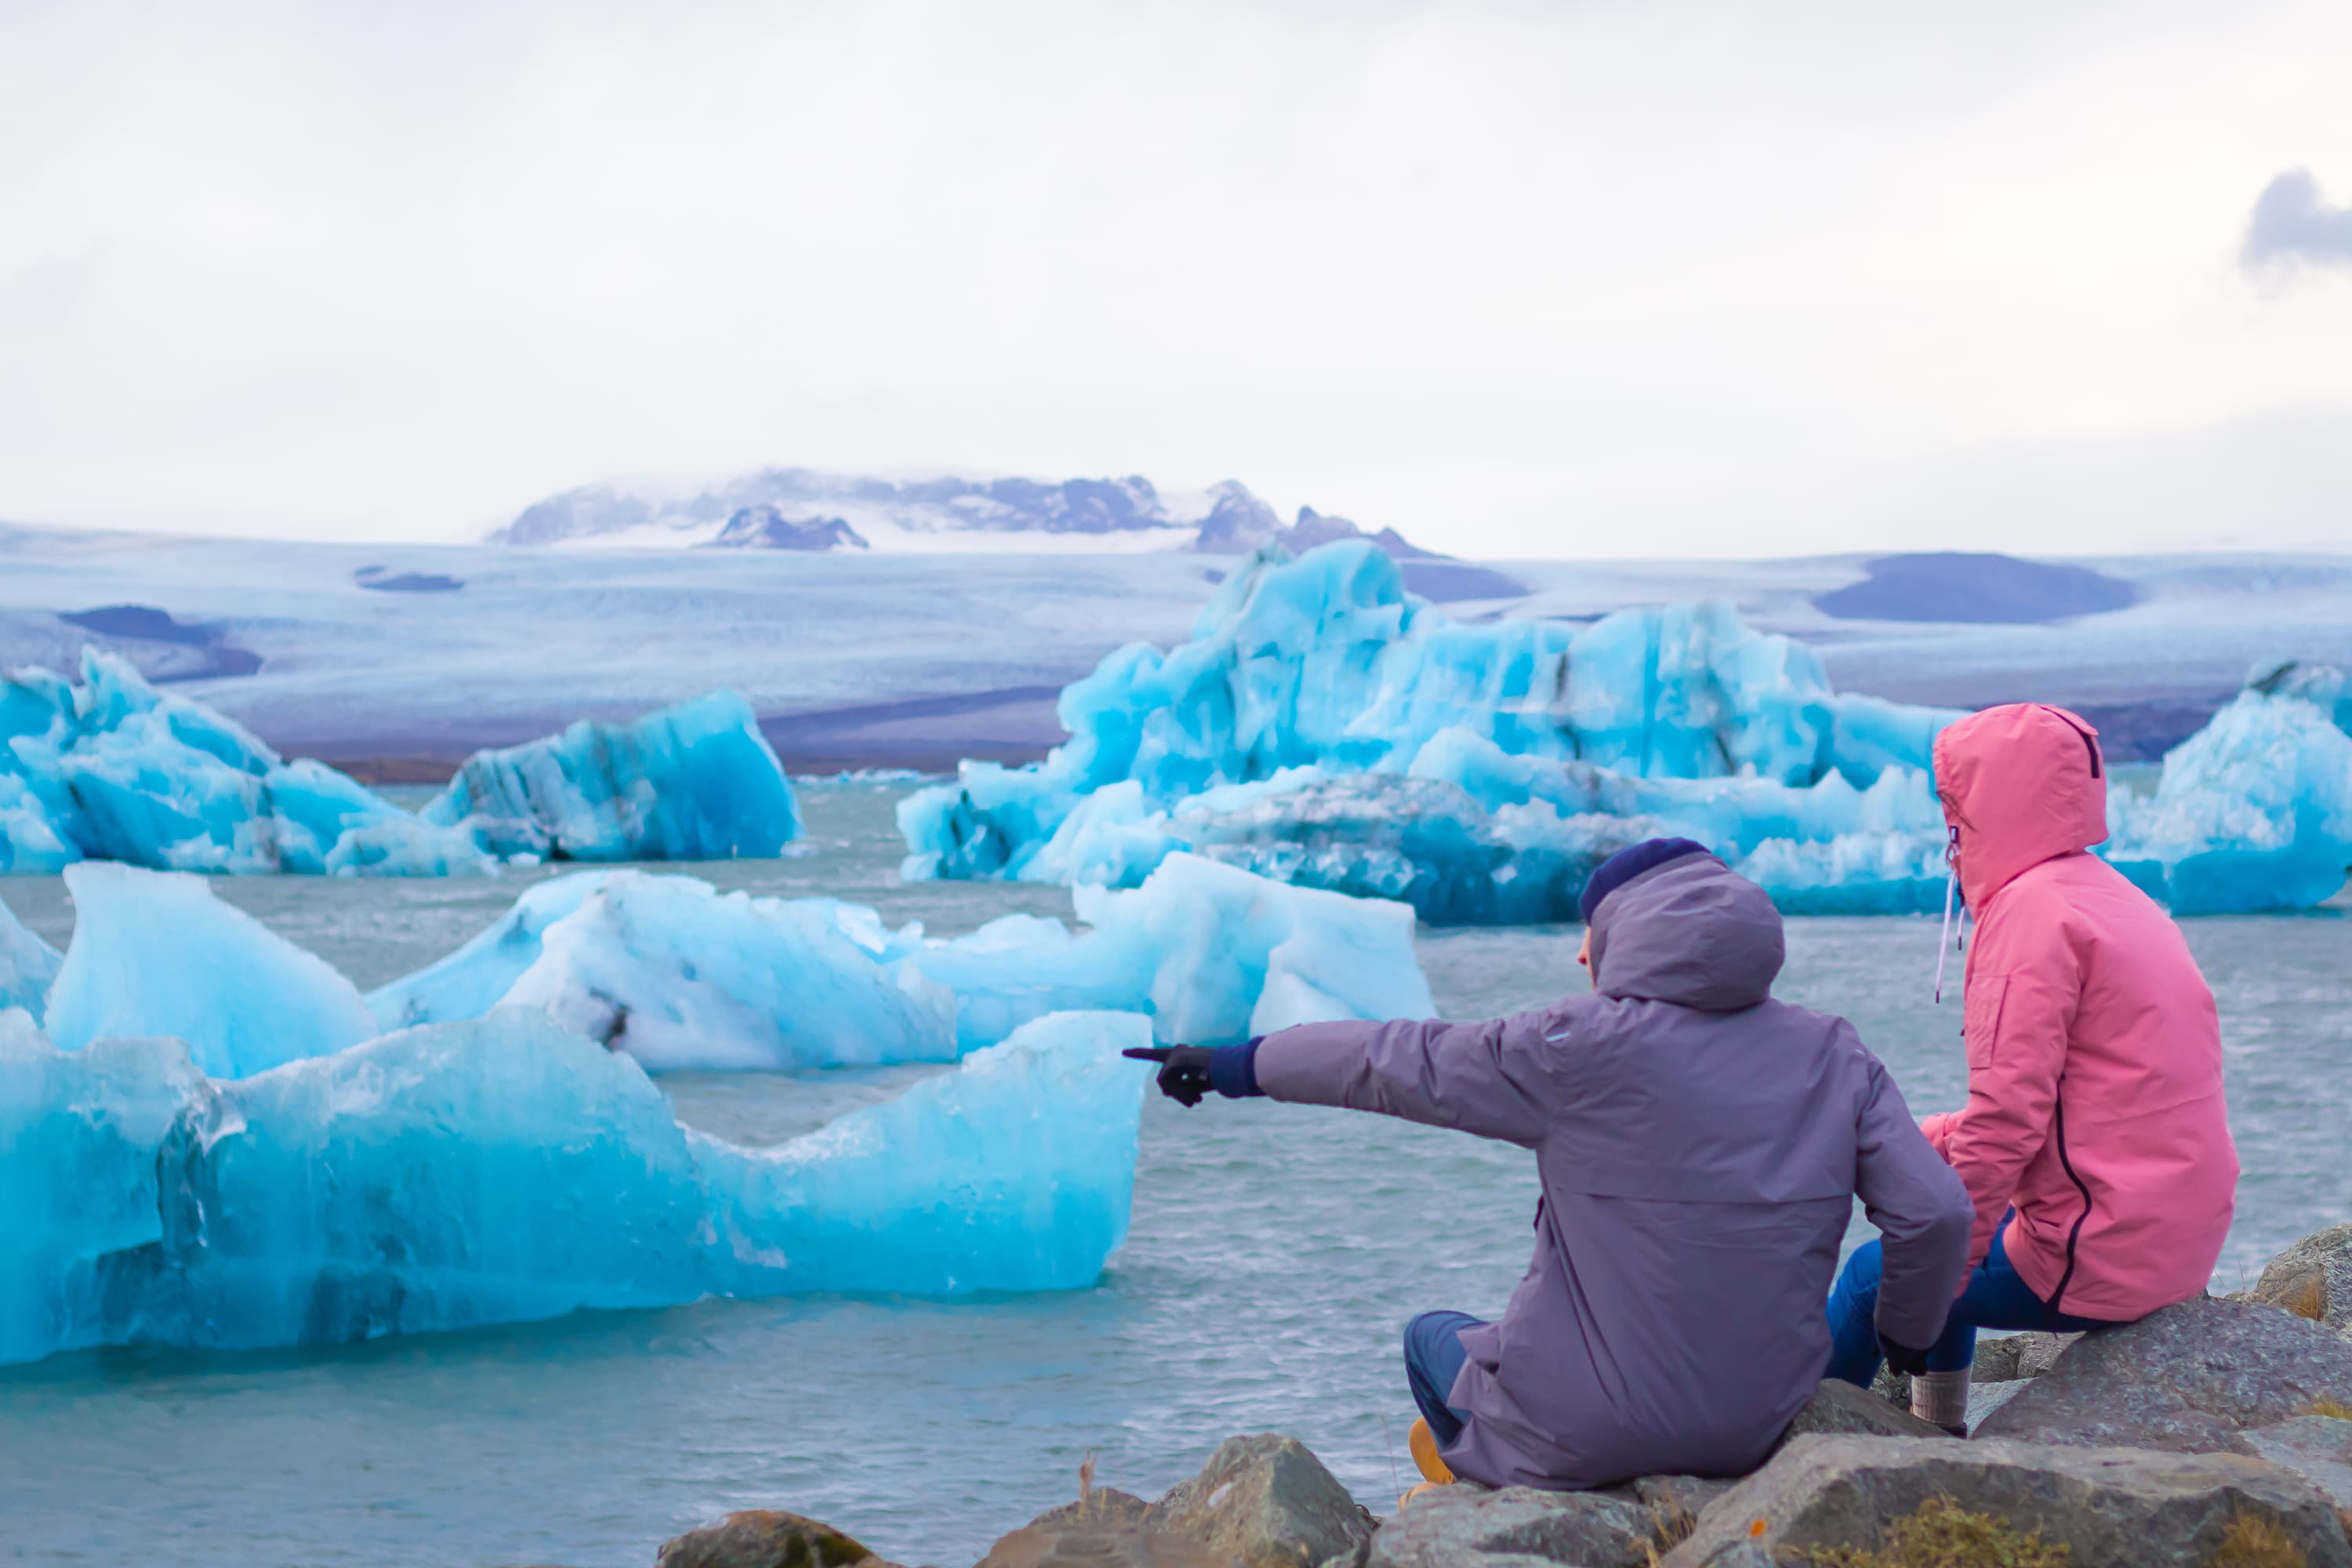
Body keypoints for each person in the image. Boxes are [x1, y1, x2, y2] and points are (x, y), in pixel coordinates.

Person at [1127, 837, 1973, 1494]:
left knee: (1431, 1335)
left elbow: (1389, 1061)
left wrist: (1235, 1064)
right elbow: (1936, 1214)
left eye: (1591, 932)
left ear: (1626, 934)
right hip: (1760, 1422)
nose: (1580, 956)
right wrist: (1904, 1335)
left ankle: (1484, 1478)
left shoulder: (1569, 1045)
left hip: (1587, 1431)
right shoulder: (1834, 1051)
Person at [1824, 704, 2239, 1432]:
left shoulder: (2027, 917)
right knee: (1945, 1219)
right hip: (2175, 1232)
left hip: (2104, 1252)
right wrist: (1932, 1140)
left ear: (1984, 806)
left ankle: (1799, 1450)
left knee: (1878, 1276)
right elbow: (2089, 1101)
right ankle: (1937, 1431)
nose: (1948, 832)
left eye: (1952, 808)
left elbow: (2011, 1122)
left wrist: (1928, 1287)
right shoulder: (2115, 897)